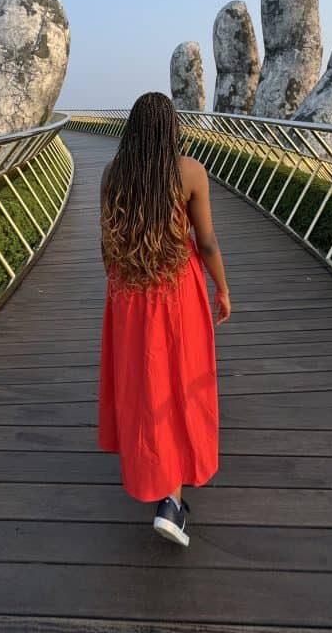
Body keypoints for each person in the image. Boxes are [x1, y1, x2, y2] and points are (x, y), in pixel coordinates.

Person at [98, 91, 231, 548]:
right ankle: (170, 501)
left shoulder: (113, 174)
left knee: (145, 386)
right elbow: (207, 241)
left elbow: (106, 244)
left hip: (129, 293)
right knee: (181, 382)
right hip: (178, 291)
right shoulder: (190, 171)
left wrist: (118, 291)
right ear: (172, 129)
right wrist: (223, 287)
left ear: (131, 129)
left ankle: (162, 486)